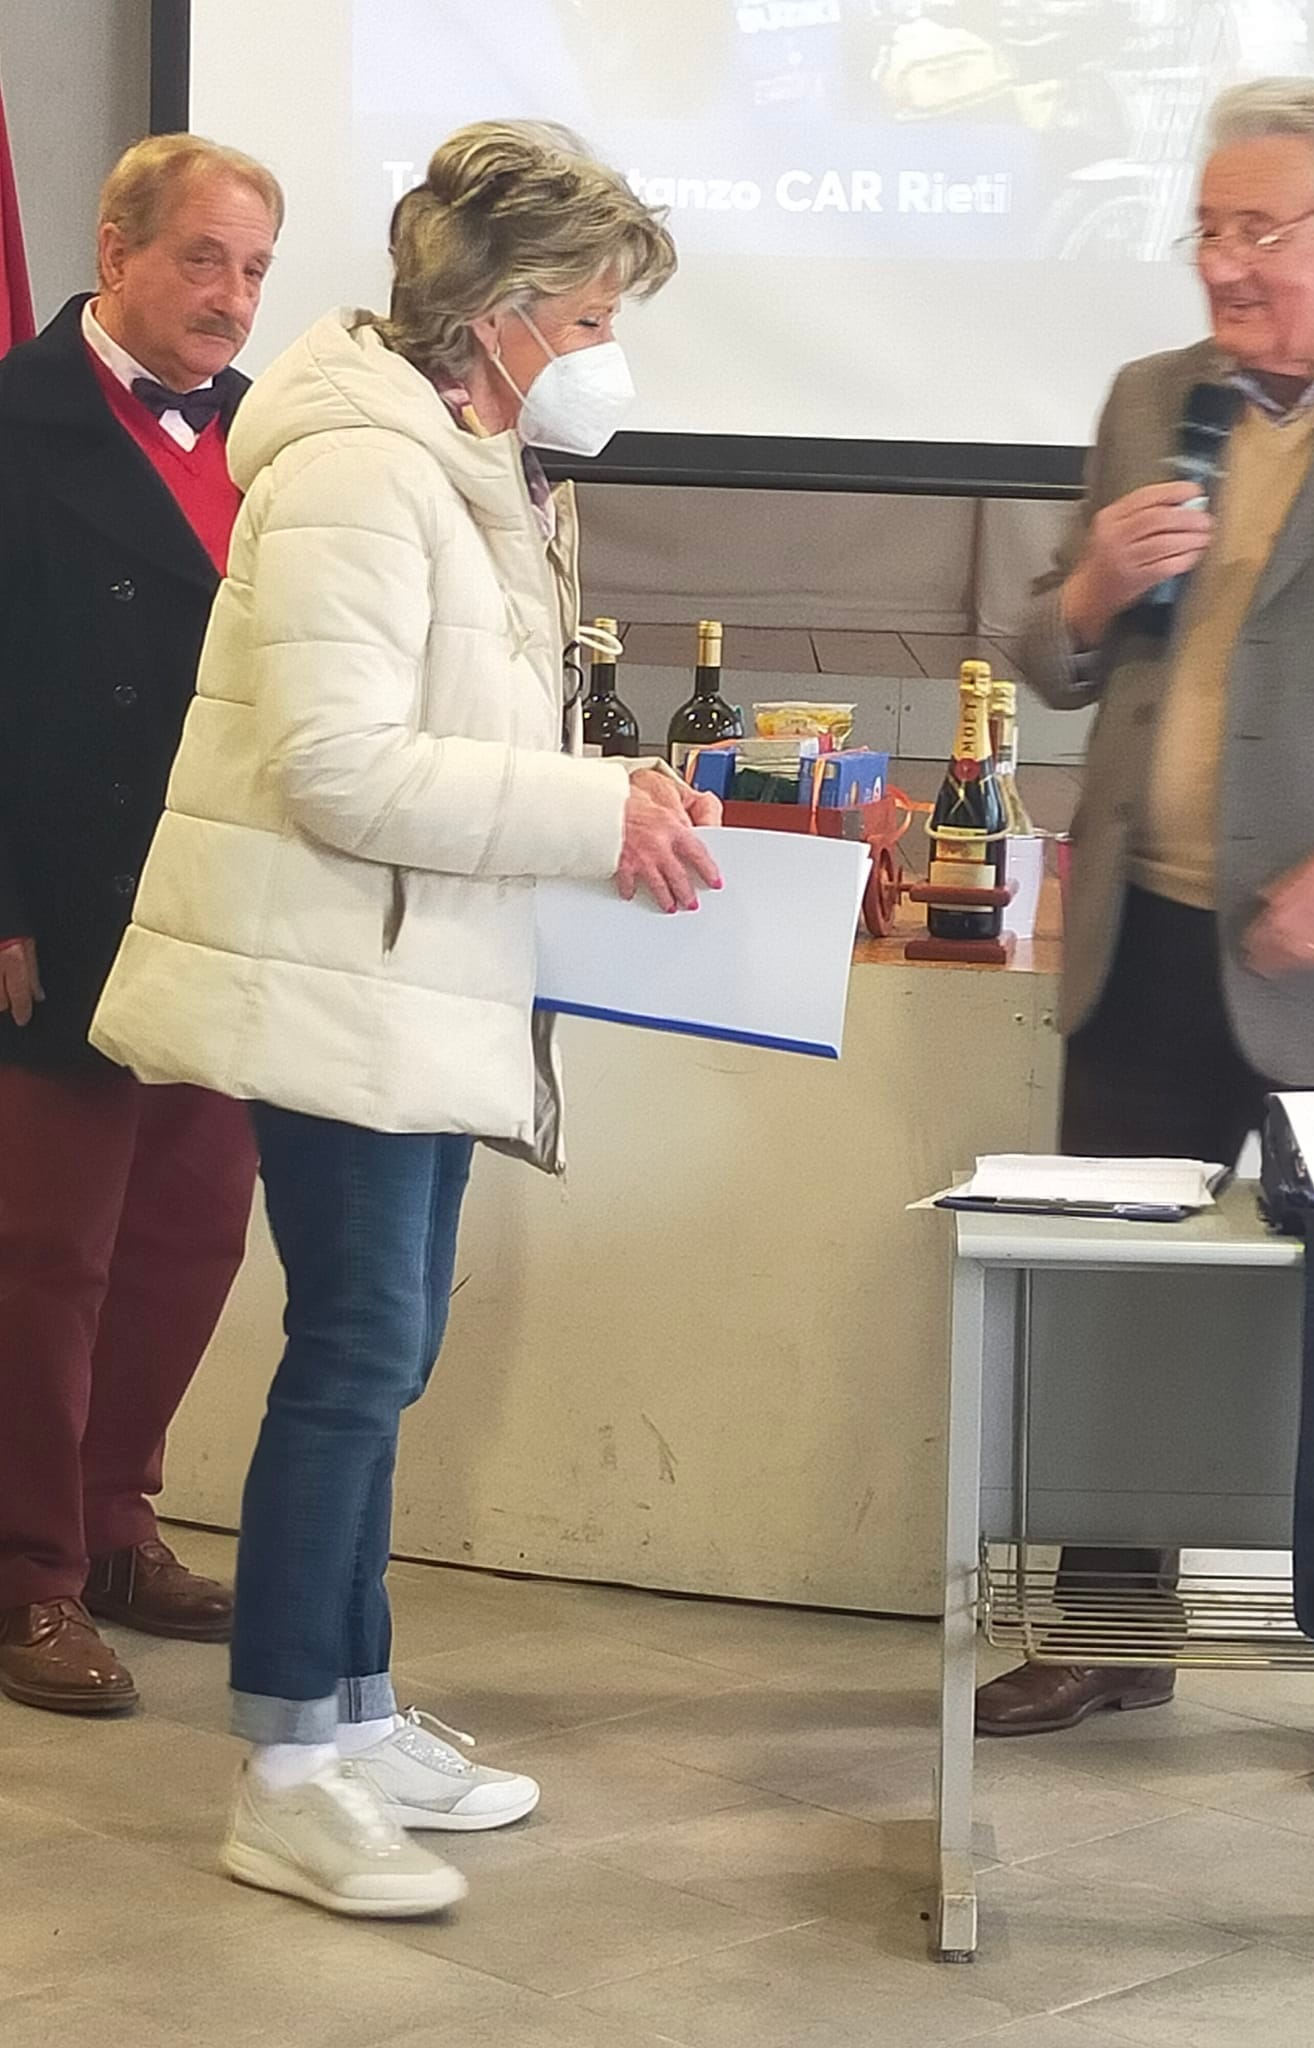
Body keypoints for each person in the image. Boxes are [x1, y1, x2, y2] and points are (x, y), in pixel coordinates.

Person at [91, 119, 721, 1919]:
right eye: (588, 317)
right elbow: (343, 766)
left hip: (419, 974)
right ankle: (286, 1770)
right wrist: (594, 818)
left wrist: (618, 795)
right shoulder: (362, 471)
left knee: (387, 1350)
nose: (605, 352)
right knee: (356, 1355)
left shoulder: (473, 462)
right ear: (500, 313)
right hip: (338, 975)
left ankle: (355, 1713)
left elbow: (469, 734)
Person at [977, 77, 1314, 1794]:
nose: (1223, 261)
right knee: (1113, 1306)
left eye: (1260, 229)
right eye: (1208, 226)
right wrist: (1087, 588)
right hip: (1142, 936)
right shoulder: (1154, 400)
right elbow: (1056, 655)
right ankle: (1105, 1628)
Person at [0, 136, 283, 1716]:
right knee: (48, 1262)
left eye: (253, 270)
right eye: (201, 259)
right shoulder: (13, 421)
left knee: (189, 1236)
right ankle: (24, 1573)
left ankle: (114, 1525)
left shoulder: (273, 441)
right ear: (114, 250)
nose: (232, 298)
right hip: (59, 902)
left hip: (222, 904)